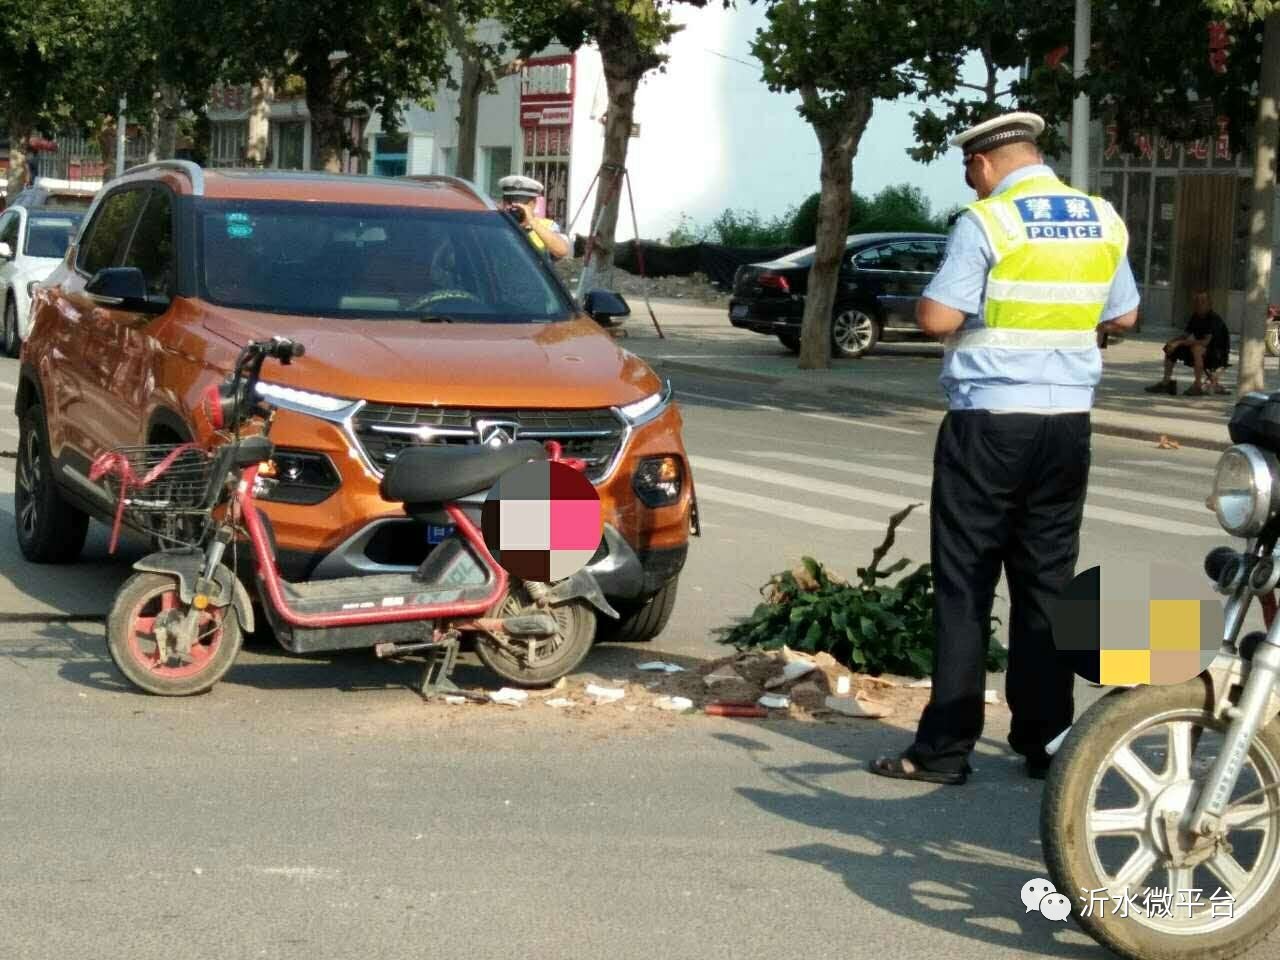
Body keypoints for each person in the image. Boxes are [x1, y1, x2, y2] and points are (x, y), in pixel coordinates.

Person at [869, 112, 1140, 787]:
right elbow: (1126, 314)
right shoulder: (1101, 218)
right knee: (1048, 585)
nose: (971, 180)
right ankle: (1047, 740)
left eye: (969, 168)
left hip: (990, 424)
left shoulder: (988, 220)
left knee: (965, 586)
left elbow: (939, 317)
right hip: (1067, 426)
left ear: (985, 164)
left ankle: (945, 750)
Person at [1144, 291, 1231, 396]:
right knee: (1170, 347)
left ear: (1209, 304)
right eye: (1197, 301)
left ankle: (1197, 386)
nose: (1199, 304)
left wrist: (1180, 342)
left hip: (1217, 355)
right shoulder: (1195, 316)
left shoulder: (1214, 319)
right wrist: (1173, 341)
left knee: (1196, 348)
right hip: (1203, 351)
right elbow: (1186, 334)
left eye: (1203, 301)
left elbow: (1205, 342)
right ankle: (1166, 383)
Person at [498, 175, 570, 261]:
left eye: (521, 203)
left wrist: (532, 222)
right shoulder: (495, 225)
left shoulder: (546, 226)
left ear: (534, 203)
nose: (515, 207)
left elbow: (562, 251)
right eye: (510, 202)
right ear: (503, 201)